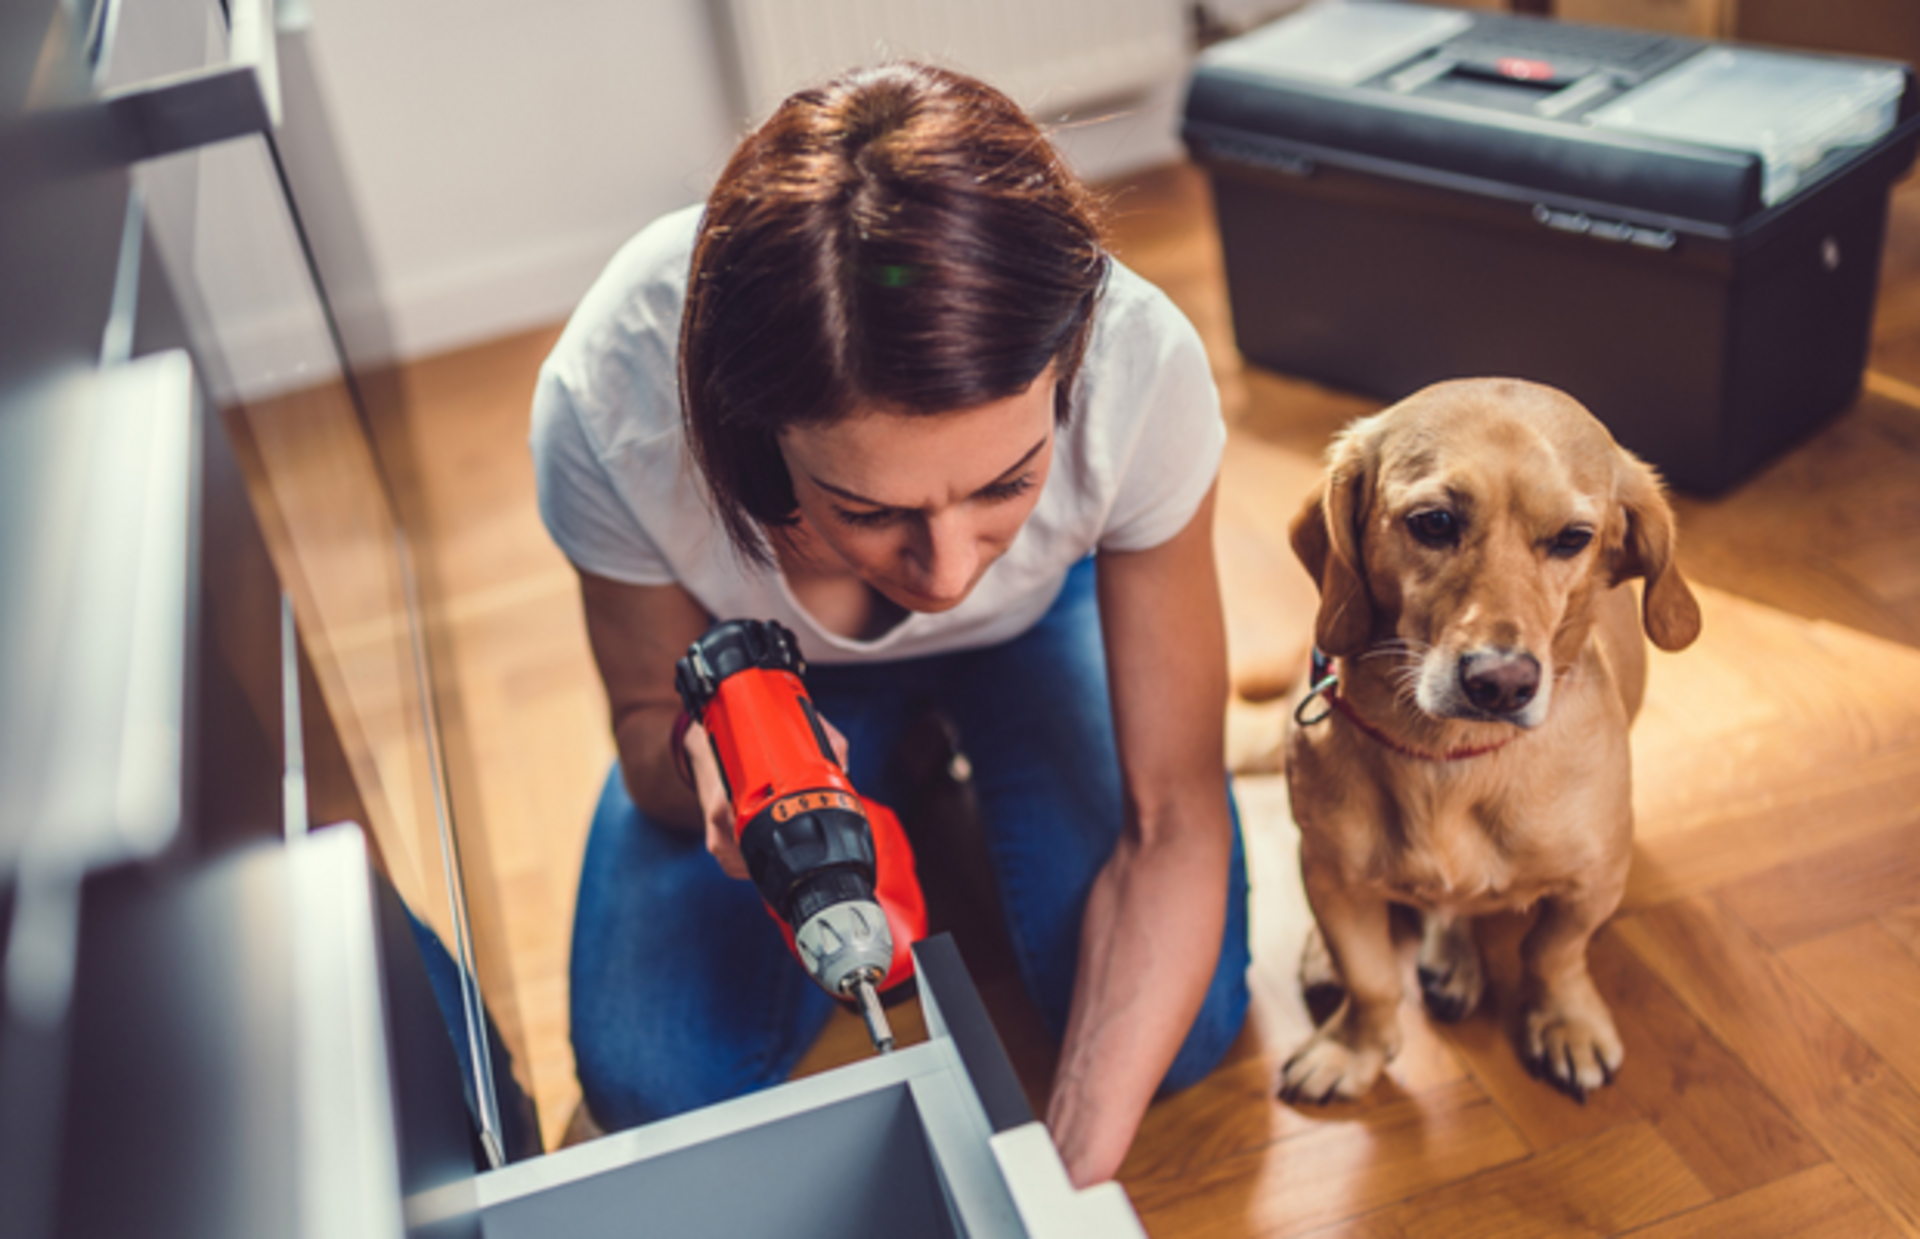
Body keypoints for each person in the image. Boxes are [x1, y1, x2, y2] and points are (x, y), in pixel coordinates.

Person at [532, 61, 1248, 1187]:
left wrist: (1063, 1184)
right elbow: (639, 724)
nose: (950, 572)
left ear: (1067, 371)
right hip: (764, 674)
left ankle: (914, 760)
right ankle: (897, 763)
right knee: (651, 1082)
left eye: (1007, 484)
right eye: (869, 509)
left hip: (1041, 625)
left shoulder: (1140, 367)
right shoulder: (607, 398)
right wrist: (702, 768)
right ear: (747, 430)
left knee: (1186, 1031)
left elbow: (1177, 819)